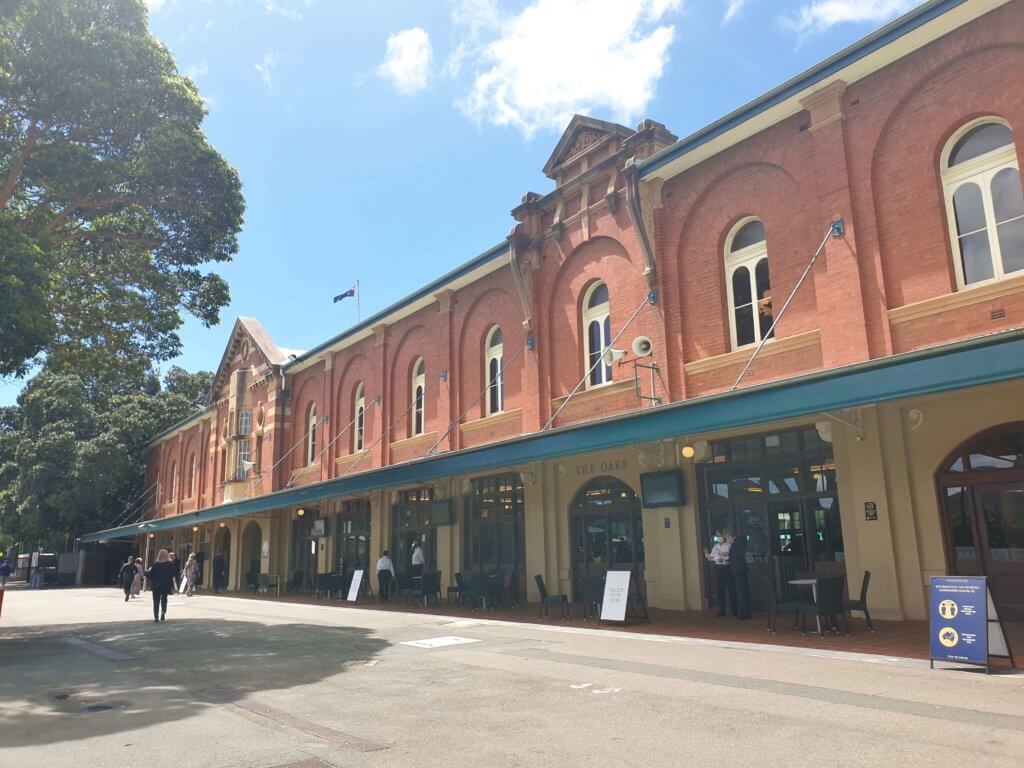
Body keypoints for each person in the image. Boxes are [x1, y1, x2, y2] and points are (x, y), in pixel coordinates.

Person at [703, 531, 736, 617]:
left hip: (727, 568)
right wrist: (706, 553)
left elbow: (731, 557)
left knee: (731, 589)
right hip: (719, 569)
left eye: (720, 536)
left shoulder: (729, 545)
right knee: (720, 590)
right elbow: (711, 558)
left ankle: (734, 609)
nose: (718, 538)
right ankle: (722, 610)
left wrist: (725, 558)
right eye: (717, 536)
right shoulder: (715, 546)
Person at [725, 527, 752, 620]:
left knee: (741, 592)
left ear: (729, 536)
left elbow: (737, 556)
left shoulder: (737, 543)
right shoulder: (739, 542)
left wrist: (728, 558)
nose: (726, 539)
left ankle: (744, 613)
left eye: (726, 537)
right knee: (742, 591)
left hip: (738, 569)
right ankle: (745, 611)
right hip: (740, 569)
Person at [145, 549, 177, 623]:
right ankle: (163, 612)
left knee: (156, 601)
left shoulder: (155, 564)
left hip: (156, 585)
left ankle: (156, 617)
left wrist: (145, 573)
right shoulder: (170, 564)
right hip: (166, 585)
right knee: (164, 599)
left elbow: (150, 574)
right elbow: (174, 573)